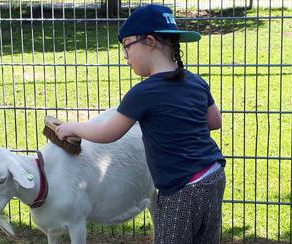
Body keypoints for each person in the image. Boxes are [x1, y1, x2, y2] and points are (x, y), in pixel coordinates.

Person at [55, 4, 226, 244]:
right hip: (213, 177)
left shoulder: (145, 92)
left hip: (180, 188)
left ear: (150, 41)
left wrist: (73, 127)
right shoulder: (195, 81)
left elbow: (108, 132)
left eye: (126, 47)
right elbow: (214, 121)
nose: (126, 58)